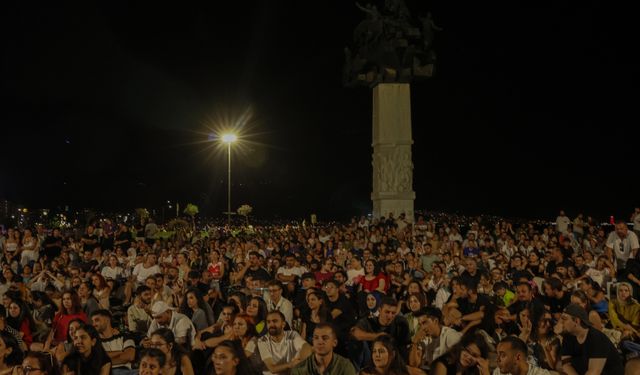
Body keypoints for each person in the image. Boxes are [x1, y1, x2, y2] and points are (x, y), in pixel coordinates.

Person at [559, 303, 624, 375]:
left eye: (564, 319)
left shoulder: (597, 339)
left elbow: (594, 372)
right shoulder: (568, 336)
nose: (561, 322)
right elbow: (566, 364)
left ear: (576, 321)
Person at [257, 310, 312, 375]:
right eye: (268, 322)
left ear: (283, 324)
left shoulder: (292, 335)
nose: (271, 324)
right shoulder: (262, 340)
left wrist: (301, 362)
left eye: (275, 321)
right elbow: (272, 368)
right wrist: (290, 365)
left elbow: (306, 347)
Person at [291, 323, 356, 375]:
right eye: (316, 338)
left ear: (334, 343)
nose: (320, 342)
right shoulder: (300, 369)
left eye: (325, 338)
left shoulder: (345, 366)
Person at [90, 309, 136, 375]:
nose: (93, 324)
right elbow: (96, 360)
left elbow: (130, 356)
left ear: (107, 320)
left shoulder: (125, 336)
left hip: (127, 371)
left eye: (97, 320)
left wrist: (105, 361)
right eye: (92, 321)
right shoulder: (93, 341)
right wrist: (121, 352)